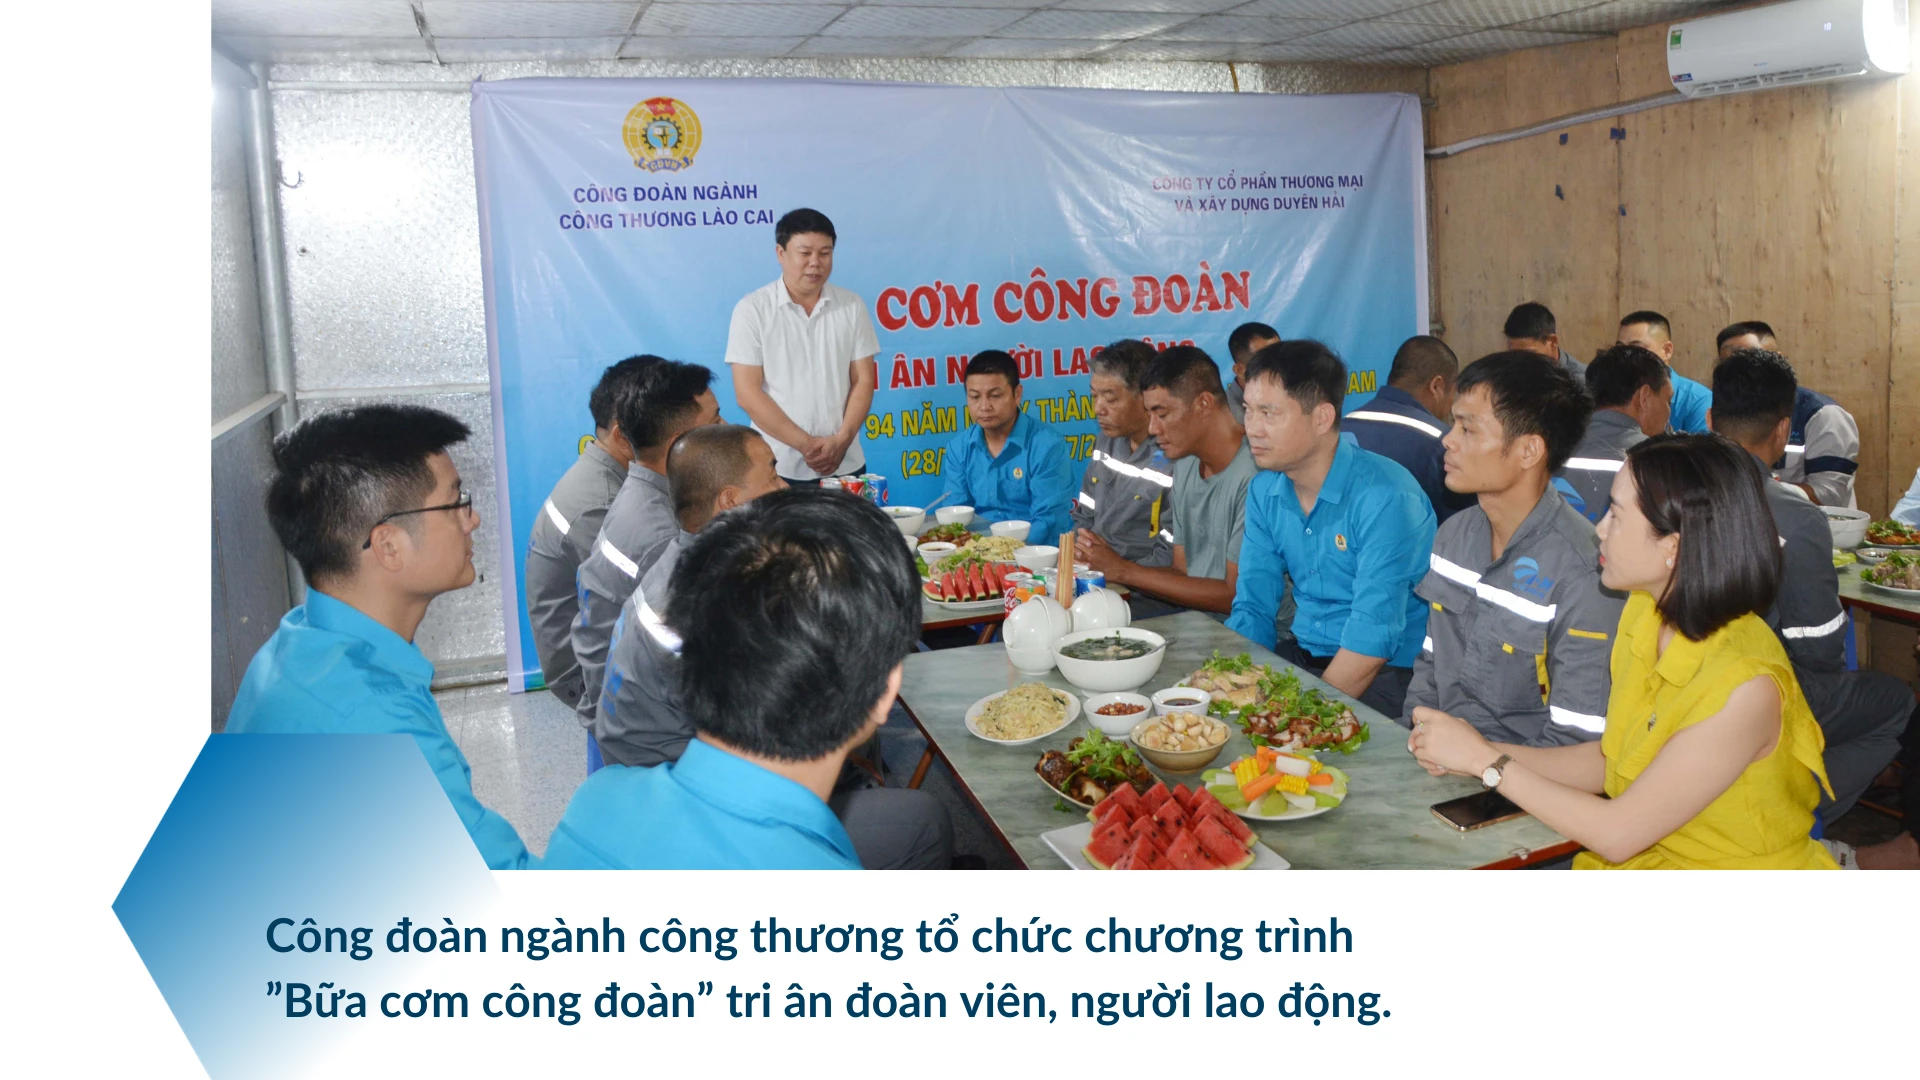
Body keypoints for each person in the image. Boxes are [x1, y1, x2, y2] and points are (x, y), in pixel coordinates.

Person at [1410, 433, 1839, 870]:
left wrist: (1487, 762)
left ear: (1673, 546)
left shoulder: (1744, 688)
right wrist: (1473, 750)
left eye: (1615, 515)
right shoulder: (1646, 611)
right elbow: (1610, 761)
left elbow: (1618, 834)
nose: (1599, 529)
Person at [592, 428, 954, 869]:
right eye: (772, 475)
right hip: (695, 813)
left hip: (652, 781)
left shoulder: (682, 565)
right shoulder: (714, 605)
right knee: (925, 820)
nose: (784, 488)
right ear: (730, 500)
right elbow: (779, 725)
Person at [227, 405, 529, 870]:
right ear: (388, 545)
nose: (472, 520)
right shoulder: (374, 718)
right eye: (455, 502)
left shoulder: (296, 641)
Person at [1709, 349, 1909, 825]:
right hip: (1759, 689)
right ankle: (1786, 819)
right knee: (1897, 704)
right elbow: (1817, 647)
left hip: (1674, 679)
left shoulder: (1665, 483)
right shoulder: (1795, 516)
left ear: (1711, 419)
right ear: (1783, 431)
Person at [1406, 352, 1623, 747]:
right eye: (1453, 423)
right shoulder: (1452, 537)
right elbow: (1430, 666)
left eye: (1468, 429)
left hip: (1523, 776)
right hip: (1436, 759)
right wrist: (1416, 738)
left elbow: (1576, 744)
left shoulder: (1584, 573)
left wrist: (1476, 759)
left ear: (1529, 451)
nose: (1447, 440)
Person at [1227, 340, 1435, 718]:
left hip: (1386, 675)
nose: (1252, 428)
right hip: (1304, 659)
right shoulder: (1264, 490)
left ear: (1322, 418)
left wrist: (1299, 719)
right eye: (1248, 410)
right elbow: (1253, 607)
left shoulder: (1387, 496)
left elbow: (1373, 636)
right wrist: (1229, 684)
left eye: (1269, 413)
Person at [571, 359, 721, 728]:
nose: (726, 429)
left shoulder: (641, 493)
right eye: (715, 421)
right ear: (679, 445)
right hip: (647, 724)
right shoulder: (664, 535)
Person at [1076, 345, 1256, 617]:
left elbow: (1236, 596)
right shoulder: (1185, 465)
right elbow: (1180, 572)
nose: (1153, 428)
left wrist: (1122, 571)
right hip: (1194, 622)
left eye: (1162, 414)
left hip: (1247, 633)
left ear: (1203, 404)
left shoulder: (1255, 474)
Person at [522, 355, 654, 709]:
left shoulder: (613, 475)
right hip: (582, 673)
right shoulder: (603, 504)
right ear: (623, 436)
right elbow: (647, 602)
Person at [726, 208, 879, 485]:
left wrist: (842, 440)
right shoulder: (752, 310)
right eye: (805, 253)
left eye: (825, 253)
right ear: (781, 253)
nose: (815, 263)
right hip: (778, 467)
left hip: (846, 461)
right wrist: (806, 445)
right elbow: (747, 393)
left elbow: (864, 380)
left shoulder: (851, 305)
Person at [1715, 321, 1860, 507]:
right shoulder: (1722, 412)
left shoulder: (1823, 415)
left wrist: (1762, 491)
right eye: (1731, 365)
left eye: (1755, 360)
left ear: (1780, 361)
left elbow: (1829, 493)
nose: (1744, 373)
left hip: (1816, 523)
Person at [942, 349, 1073, 545]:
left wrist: (1003, 554)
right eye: (975, 397)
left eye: (995, 395)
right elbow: (957, 517)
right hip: (979, 552)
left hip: (1036, 553)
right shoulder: (958, 448)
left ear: (1017, 394)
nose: (984, 406)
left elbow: (1047, 522)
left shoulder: (1047, 446)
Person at [1343, 335, 1474, 524]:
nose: (1451, 404)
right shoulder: (1444, 443)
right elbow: (1462, 528)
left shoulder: (1340, 429)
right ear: (1436, 386)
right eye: (1453, 393)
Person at [1070, 339, 1172, 566]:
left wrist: (1121, 569)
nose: (1098, 409)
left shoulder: (1174, 454)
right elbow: (1084, 516)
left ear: (1145, 397)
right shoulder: (1105, 441)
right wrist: (1083, 551)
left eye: (1110, 399)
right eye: (1094, 396)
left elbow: (1170, 554)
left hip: (1142, 581)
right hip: (1093, 571)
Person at [1553, 343, 1669, 523]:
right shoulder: (1655, 462)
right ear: (1644, 397)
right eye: (1668, 400)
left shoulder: (1551, 448)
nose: (1669, 411)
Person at [1615, 310, 1711, 433]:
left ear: (1667, 350)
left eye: (1636, 348)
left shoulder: (1697, 401)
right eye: (1620, 348)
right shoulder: (1612, 395)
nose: (1625, 356)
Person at [1502, 301, 1586, 382]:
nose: (1520, 363)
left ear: (1552, 342)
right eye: (1514, 355)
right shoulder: (1507, 375)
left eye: (1529, 355)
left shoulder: (1580, 383)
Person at [1223, 321, 1279, 422]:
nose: (1278, 366)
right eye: (1266, 360)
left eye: (1280, 355)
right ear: (1240, 371)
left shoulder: (1289, 394)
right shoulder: (1231, 417)